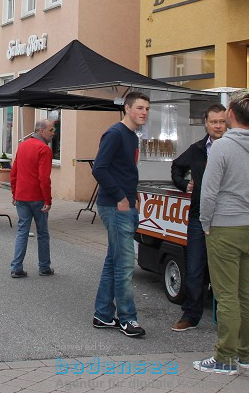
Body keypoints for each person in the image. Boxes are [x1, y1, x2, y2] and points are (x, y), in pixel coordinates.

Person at [194, 92, 249, 376]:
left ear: (231, 114)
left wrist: (205, 223)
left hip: (224, 227)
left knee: (226, 296)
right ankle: (246, 354)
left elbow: (209, 190)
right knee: (248, 293)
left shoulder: (222, 147)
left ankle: (225, 357)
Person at [91, 91, 150, 339]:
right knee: (125, 265)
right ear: (127, 108)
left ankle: (103, 315)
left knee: (114, 261)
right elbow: (100, 169)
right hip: (116, 207)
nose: (144, 112)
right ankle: (128, 319)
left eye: (147, 108)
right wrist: (120, 197)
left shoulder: (132, 136)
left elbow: (123, 170)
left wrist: (131, 194)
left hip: (124, 204)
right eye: (139, 108)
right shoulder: (115, 134)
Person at [170, 103, 227, 332]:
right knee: (194, 268)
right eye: (214, 122)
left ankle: (226, 316)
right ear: (206, 123)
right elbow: (176, 168)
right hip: (199, 216)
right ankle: (191, 315)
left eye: (222, 121)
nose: (218, 126)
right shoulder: (196, 149)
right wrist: (185, 184)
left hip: (225, 217)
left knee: (225, 269)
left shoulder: (234, 148)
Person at [10, 119, 56, 278]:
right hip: (37, 197)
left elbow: (14, 171)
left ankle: (16, 267)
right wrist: (48, 200)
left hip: (21, 195)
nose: (53, 133)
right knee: (42, 233)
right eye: (51, 130)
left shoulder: (22, 145)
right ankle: (44, 267)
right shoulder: (44, 149)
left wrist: (14, 193)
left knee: (22, 231)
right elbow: (44, 178)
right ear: (41, 131)